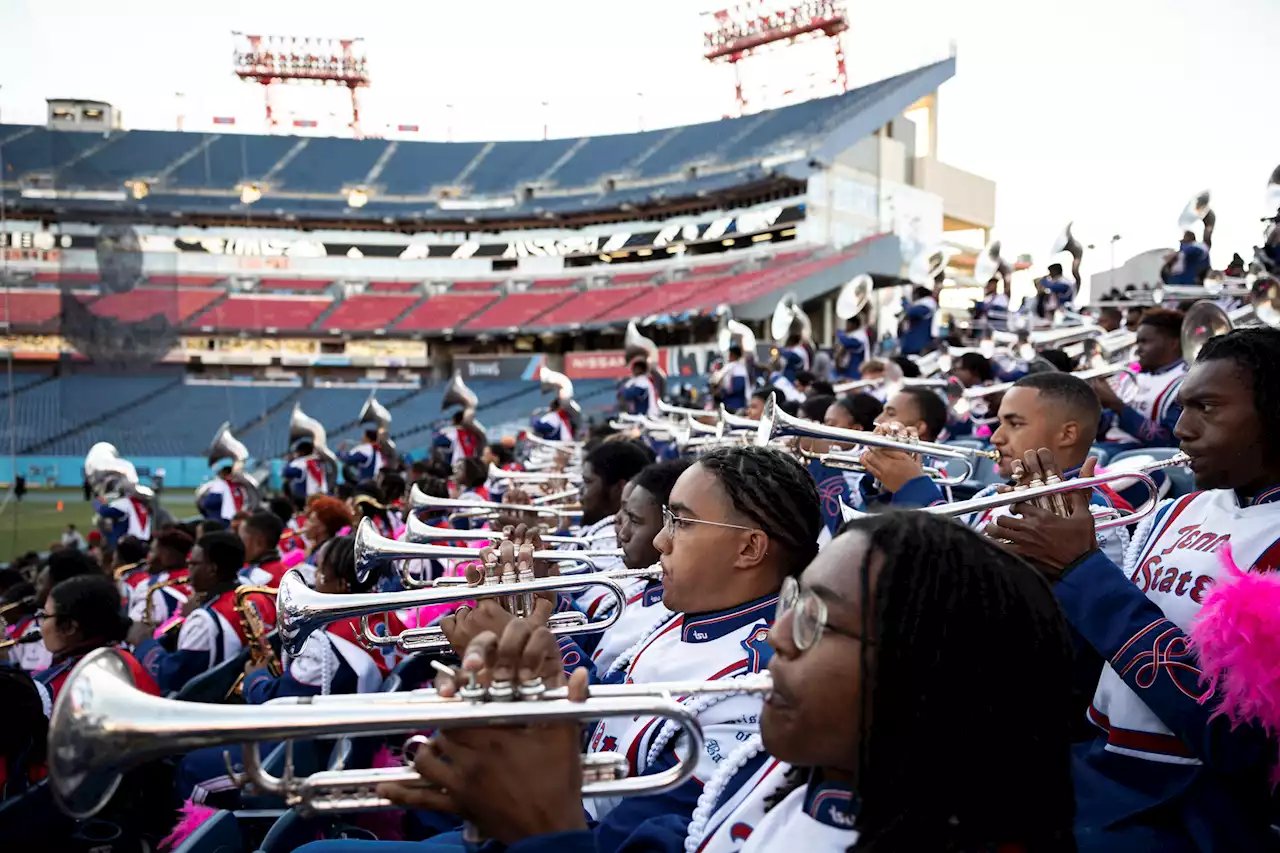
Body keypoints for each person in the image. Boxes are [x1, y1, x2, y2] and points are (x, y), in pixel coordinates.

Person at [344, 512, 1076, 853]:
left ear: (926, 673)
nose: (780, 636)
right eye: (794, 602)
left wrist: (547, 829)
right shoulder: (773, 769)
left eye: (818, 618)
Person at [384, 445, 822, 853]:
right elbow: (599, 719)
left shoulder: (751, 684)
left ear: (749, 548)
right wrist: (534, 642)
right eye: (667, 519)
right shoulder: (693, 618)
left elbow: (620, 839)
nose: (660, 541)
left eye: (682, 523)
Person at [988, 326, 1280, 852]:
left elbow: (1234, 739)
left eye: (1208, 408)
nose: (1182, 428)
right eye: (1184, 407)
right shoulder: (1175, 510)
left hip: (1189, 811)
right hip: (1098, 769)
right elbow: (1096, 670)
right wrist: (1040, 574)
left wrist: (1081, 569)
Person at [567, 458, 691, 673]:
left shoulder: (675, 604)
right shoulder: (650, 584)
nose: (621, 532)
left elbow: (606, 691)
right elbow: (597, 639)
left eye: (634, 520)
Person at [134, 532, 276, 695]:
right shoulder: (260, 599)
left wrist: (144, 643)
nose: (188, 572)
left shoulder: (203, 620)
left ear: (211, 569)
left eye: (193, 564)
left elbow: (173, 677)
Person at [34, 574, 159, 708]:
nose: (41, 624)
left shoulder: (48, 687)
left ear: (69, 627)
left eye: (45, 616)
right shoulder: (131, 661)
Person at [1094, 307, 1185, 451]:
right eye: (1138, 342)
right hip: (1109, 449)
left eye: (1145, 342)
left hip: (1143, 459)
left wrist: (1117, 405)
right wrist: (1090, 403)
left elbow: (1169, 441)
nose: (1137, 349)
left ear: (1172, 343)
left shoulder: (1183, 385)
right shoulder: (1132, 376)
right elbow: (1107, 425)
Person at [124, 528, 194, 634]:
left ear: (166, 556)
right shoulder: (199, 580)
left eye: (152, 551)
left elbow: (133, 632)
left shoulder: (150, 587)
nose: (147, 558)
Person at [301, 496, 355, 585]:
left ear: (322, 527)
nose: (305, 524)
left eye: (310, 520)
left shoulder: (325, 553)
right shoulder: (314, 548)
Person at [237, 511, 288, 586]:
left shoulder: (260, 578)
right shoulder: (287, 574)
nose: (238, 545)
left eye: (241, 540)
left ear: (259, 542)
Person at [282, 437, 329, 505]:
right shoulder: (319, 461)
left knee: (286, 485)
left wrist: (291, 460)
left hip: (306, 498)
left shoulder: (300, 463)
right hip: (322, 494)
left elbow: (286, 472)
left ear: (302, 452)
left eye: (297, 452)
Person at [898, 286, 937, 355]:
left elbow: (910, 311)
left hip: (917, 346)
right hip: (917, 345)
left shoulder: (925, 306)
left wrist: (905, 302)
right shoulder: (928, 306)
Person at [715, 343, 751, 413]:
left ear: (734, 355)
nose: (728, 356)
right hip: (728, 402)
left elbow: (738, 387)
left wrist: (722, 391)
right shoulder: (729, 367)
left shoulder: (739, 368)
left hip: (736, 404)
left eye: (730, 354)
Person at [834, 315, 869, 380]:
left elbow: (845, 341)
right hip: (850, 369)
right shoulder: (855, 335)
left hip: (855, 370)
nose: (846, 326)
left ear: (854, 324)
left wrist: (840, 334)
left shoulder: (859, 336)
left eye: (848, 324)